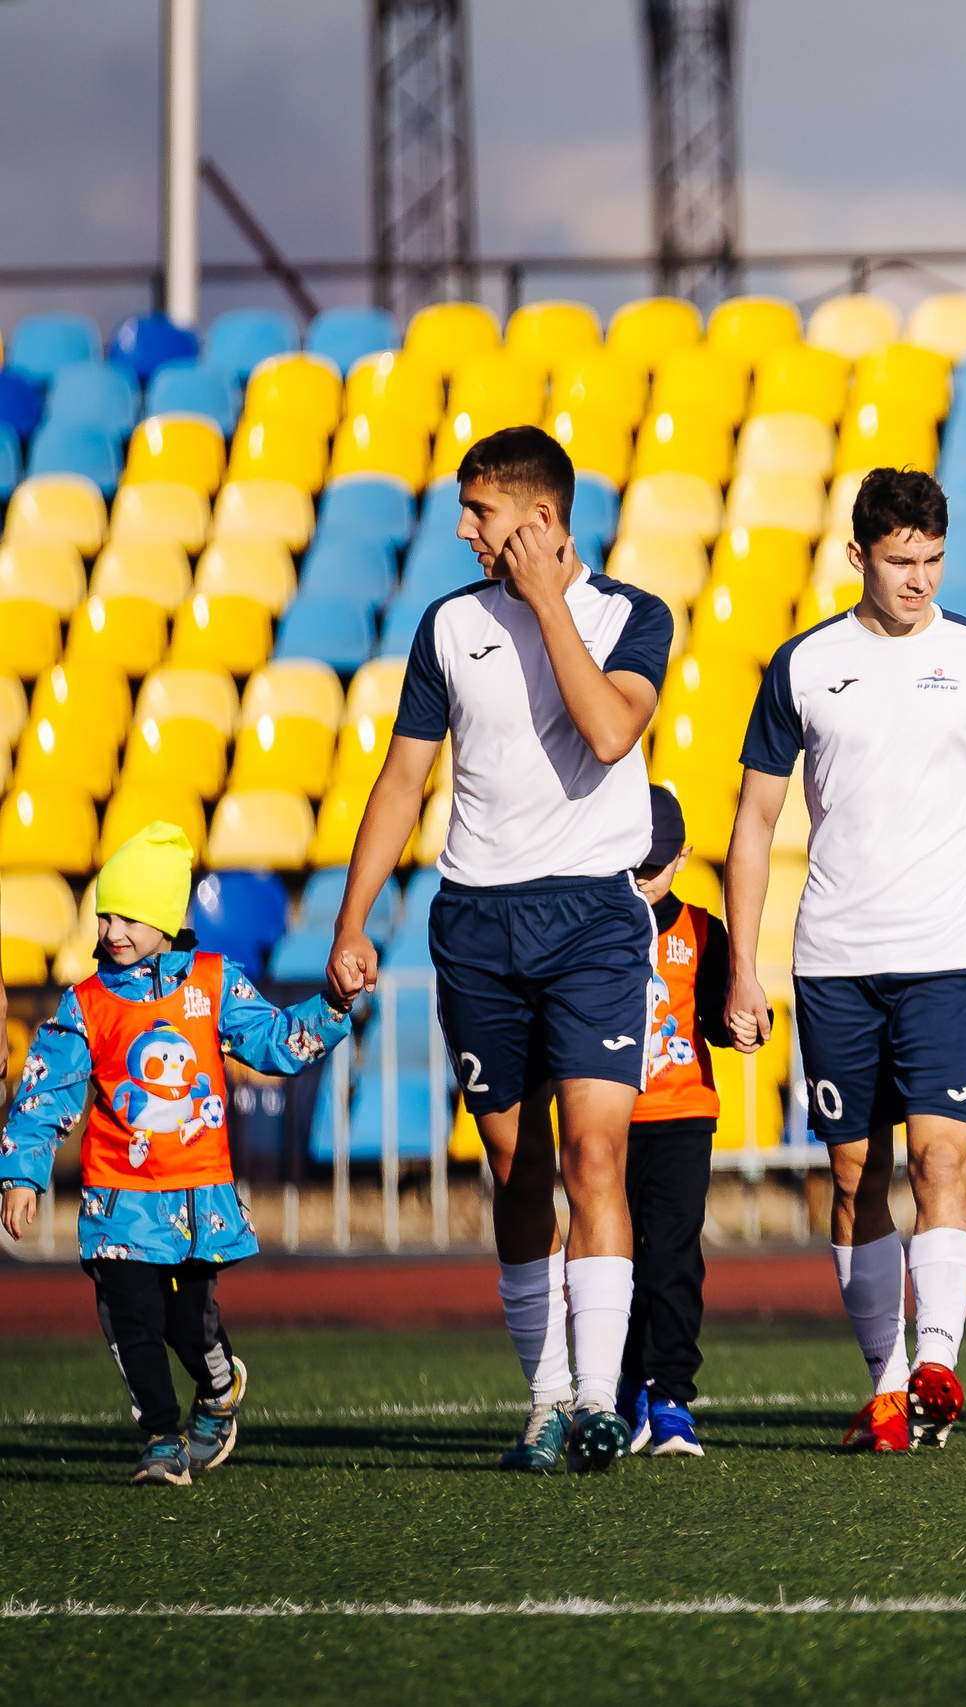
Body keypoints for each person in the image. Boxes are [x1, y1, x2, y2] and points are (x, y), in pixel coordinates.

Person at [328, 423, 672, 1475]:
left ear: (540, 519)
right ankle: (545, 1400)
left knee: (594, 1156)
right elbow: (400, 780)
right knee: (518, 1170)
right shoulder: (447, 626)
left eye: (481, 514)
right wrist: (353, 922)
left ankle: (604, 1401)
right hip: (475, 920)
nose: (467, 533)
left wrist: (547, 604)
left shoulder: (632, 616)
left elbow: (610, 733)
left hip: (593, 919)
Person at [724, 467, 966, 1455]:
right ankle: (886, 1387)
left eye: (931, 561)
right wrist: (744, 966)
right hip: (835, 959)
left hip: (952, 956)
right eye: (899, 562)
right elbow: (754, 819)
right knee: (850, 1175)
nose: (918, 581)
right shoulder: (801, 666)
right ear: (858, 557)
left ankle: (938, 1367)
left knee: (940, 1160)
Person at [0, 823, 354, 1484]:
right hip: (117, 1204)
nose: (112, 929)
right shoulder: (87, 1004)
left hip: (197, 1199)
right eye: (105, 912)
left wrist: (333, 1007)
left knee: (191, 1323)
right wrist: (23, 1172)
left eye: (130, 915)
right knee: (130, 1314)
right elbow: (46, 1093)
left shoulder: (215, 982)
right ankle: (162, 1436)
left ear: (166, 922)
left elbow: (276, 1042)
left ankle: (219, 1389)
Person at [612, 785, 738, 1458]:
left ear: (683, 856)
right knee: (614, 1262)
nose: (644, 875)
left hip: (683, 1113)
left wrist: (742, 1021)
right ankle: (624, 1386)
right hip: (609, 1120)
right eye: (634, 860)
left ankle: (671, 1399)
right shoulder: (597, 924)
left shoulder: (701, 928)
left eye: (656, 862)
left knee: (673, 1261)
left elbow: (720, 1018)